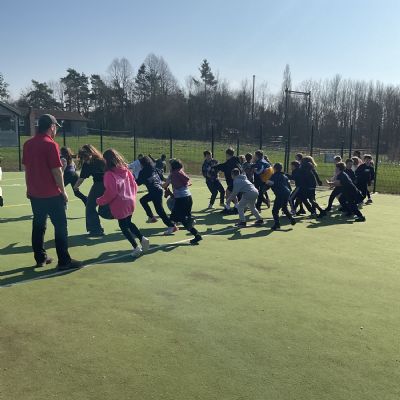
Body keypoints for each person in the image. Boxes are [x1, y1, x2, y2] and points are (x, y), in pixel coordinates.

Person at [22, 114, 81, 270]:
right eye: (56, 127)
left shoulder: (28, 144)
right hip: (52, 194)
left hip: (35, 194)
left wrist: (28, 188)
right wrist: (63, 191)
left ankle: (40, 258)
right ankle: (64, 261)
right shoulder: (51, 144)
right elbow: (57, 171)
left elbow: (27, 169)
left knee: (38, 226)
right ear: (52, 127)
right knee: (61, 227)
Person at [96, 149, 149, 258]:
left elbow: (111, 192)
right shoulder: (126, 170)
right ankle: (142, 238)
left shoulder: (109, 174)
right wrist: (132, 196)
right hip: (130, 200)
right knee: (128, 222)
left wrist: (100, 200)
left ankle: (136, 247)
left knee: (123, 226)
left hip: (120, 203)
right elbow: (135, 185)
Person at [163, 159, 202, 245]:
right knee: (180, 217)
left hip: (181, 199)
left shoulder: (172, 174)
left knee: (177, 218)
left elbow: (165, 185)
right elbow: (188, 181)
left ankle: (196, 234)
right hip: (189, 197)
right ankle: (189, 222)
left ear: (173, 166)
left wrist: (159, 184)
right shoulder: (180, 172)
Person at [136, 156, 178, 234]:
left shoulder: (143, 172)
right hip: (158, 190)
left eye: (140, 164)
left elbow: (137, 183)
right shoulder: (154, 168)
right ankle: (152, 217)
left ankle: (171, 226)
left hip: (154, 191)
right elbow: (161, 177)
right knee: (145, 201)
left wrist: (130, 179)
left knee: (159, 210)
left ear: (143, 164)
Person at [74, 144, 107, 236]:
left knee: (90, 206)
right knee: (103, 206)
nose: (83, 158)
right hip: (109, 184)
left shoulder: (88, 163)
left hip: (99, 185)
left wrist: (75, 187)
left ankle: (96, 230)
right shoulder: (102, 160)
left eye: (83, 156)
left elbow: (81, 178)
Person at [266, 163, 296, 230]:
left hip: (280, 194)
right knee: (284, 208)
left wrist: (263, 188)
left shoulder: (274, 176)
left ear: (274, 168)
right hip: (287, 193)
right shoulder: (284, 176)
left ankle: (277, 225)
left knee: (275, 211)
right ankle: (291, 219)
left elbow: (269, 184)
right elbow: (289, 186)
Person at [214, 148, 242, 214]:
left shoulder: (231, 162)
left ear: (227, 154)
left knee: (228, 192)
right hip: (238, 181)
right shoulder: (236, 161)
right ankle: (236, 207)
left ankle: (228, 208)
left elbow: (224, 166)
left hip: (234, 181)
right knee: (233, 194)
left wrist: (214, 167)